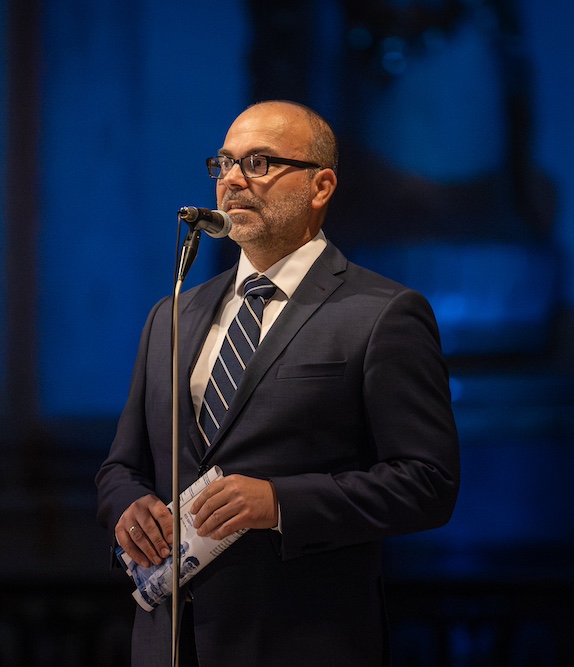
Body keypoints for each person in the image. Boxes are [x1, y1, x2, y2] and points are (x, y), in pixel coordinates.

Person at [96, 100, 459, 666]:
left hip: (300, 640)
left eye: (259, 163)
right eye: (224, 163)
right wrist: (128, 506)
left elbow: (428, 483)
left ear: (320, 186)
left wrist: (279, 502)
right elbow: (121, 465)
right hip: (168, 644)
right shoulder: (173, 314)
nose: (233, 180)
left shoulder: (382, 313)